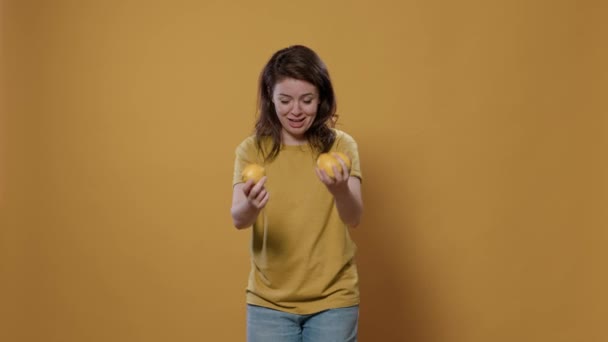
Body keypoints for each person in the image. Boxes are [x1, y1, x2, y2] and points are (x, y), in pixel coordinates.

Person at [231, 45, 363, 342]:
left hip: (334, 300)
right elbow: (238, 219)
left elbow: (354, 217)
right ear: (270, 97)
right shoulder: (252, 150)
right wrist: (251, 205)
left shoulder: (341, 147)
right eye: (285, 100)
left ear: (321, 99)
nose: (296, 110)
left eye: (307, 100)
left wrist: (340, 190)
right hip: (268, 303)